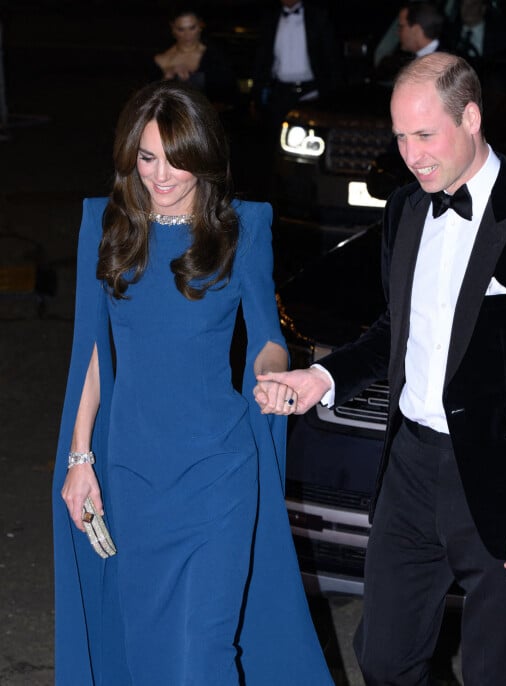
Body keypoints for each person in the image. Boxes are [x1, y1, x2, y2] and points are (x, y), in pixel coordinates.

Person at [257, 52, 506, 685]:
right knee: (384, 658)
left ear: (472, 117)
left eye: (425, 135)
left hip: (503, 481)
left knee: (500, 672)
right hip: (409, 470)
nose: (412, 154)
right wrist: (321, 379)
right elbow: (392, 335)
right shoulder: (406, 209)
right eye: (401, 137)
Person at [52, 80, 334, 686]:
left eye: (175, 158)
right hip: (131, 470)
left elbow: (267, 338)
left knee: (204, 653)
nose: (161, 174)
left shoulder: (243, 228)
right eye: (147, 157)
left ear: (202, 153)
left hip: (217, 471)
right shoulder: (106, 226)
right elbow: (92, 354)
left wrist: (270, 379)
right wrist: (80, 458)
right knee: (148, 652)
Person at [252, 0, 343, 128]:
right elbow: (262, 57)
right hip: (280, 94)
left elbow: (331, 56)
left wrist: (332, 92)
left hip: (311, 93)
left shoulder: (318, 17)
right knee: (277, 137)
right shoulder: (270, 19)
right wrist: (258, 91)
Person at [153, 6, 237, 103]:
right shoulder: (162, 59)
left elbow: (230, 92)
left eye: (192, 28)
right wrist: (168, 77)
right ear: (173, 28)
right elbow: (151, 101)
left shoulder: (216, 56)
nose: (187, 35)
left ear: (200, 26)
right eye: (181, 29)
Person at [375, 2, 445, 81]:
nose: (398, 33)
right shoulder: (397, 61)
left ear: (416, 30)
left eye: (401, 27)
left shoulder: (450, 65)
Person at [442, 0, 506, 63]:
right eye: (464, 4)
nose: (468, 8)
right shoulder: (448, 34)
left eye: (473, 4)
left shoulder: (501, 35)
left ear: (483, 8)